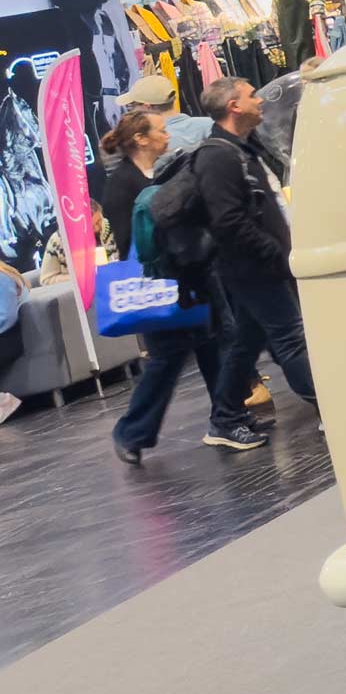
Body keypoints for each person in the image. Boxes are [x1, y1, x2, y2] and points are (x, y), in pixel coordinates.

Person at [100, 107, 234, 464]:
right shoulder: (122, 185)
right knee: (166, 361)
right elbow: (133, 242)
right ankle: (131, 432)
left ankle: (229, 417)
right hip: (161, 284)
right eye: (160, 130)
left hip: (189, 276)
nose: (167, 135)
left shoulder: (163, 170)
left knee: (212, 349)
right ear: (141, 139)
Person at [194, 81, 313, 438]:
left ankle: (225, 418)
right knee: (291, 339)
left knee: (245, 344)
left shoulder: (241, 148)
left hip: (258, 265)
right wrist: (272, 253)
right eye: (251, 95)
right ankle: (330, 407)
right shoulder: (217, 156)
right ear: (233, 106)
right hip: (252, 267)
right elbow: (227, 221)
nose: (259, 100)